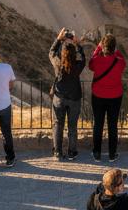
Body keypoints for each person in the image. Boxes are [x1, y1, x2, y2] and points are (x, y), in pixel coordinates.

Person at [89, 34, 128, 162]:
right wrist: (116, 50)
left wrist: (98, 48)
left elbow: (91, 64)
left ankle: (97, 153)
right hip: (115, 97)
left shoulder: (96, 60)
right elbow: (123, 61)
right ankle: (112, 154)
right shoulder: (119, 62)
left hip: (98, 96)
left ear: (103, 46)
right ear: (114, 47)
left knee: (98, 124)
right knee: (112, 125)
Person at [49, 28, 86, 160]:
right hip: (74, 98)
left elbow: (51, 52)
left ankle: (57, 152)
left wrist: (59, 39)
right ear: (73, 54)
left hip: (59, 97)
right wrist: (77, 44)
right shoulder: (77, 65)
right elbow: (83, 58)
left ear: (63, 53)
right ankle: (72, 152)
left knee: (58, 124)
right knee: (72, 126)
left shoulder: (58, 63)